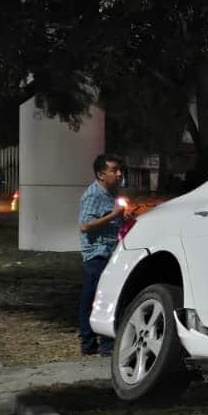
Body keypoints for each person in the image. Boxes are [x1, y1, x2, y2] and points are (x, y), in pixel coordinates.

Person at [78, 153, 127, 357]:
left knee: (108, 297)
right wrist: (114, 215)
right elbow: (85, 226)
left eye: (119, 170)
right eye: (113, 170)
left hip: (110, 251)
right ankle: (89, 343)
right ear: (100, 174)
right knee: (94, 297)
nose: (119, 174)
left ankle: (106, 344)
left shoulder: (111, 193)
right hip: (97, 254)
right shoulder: (93, 195)